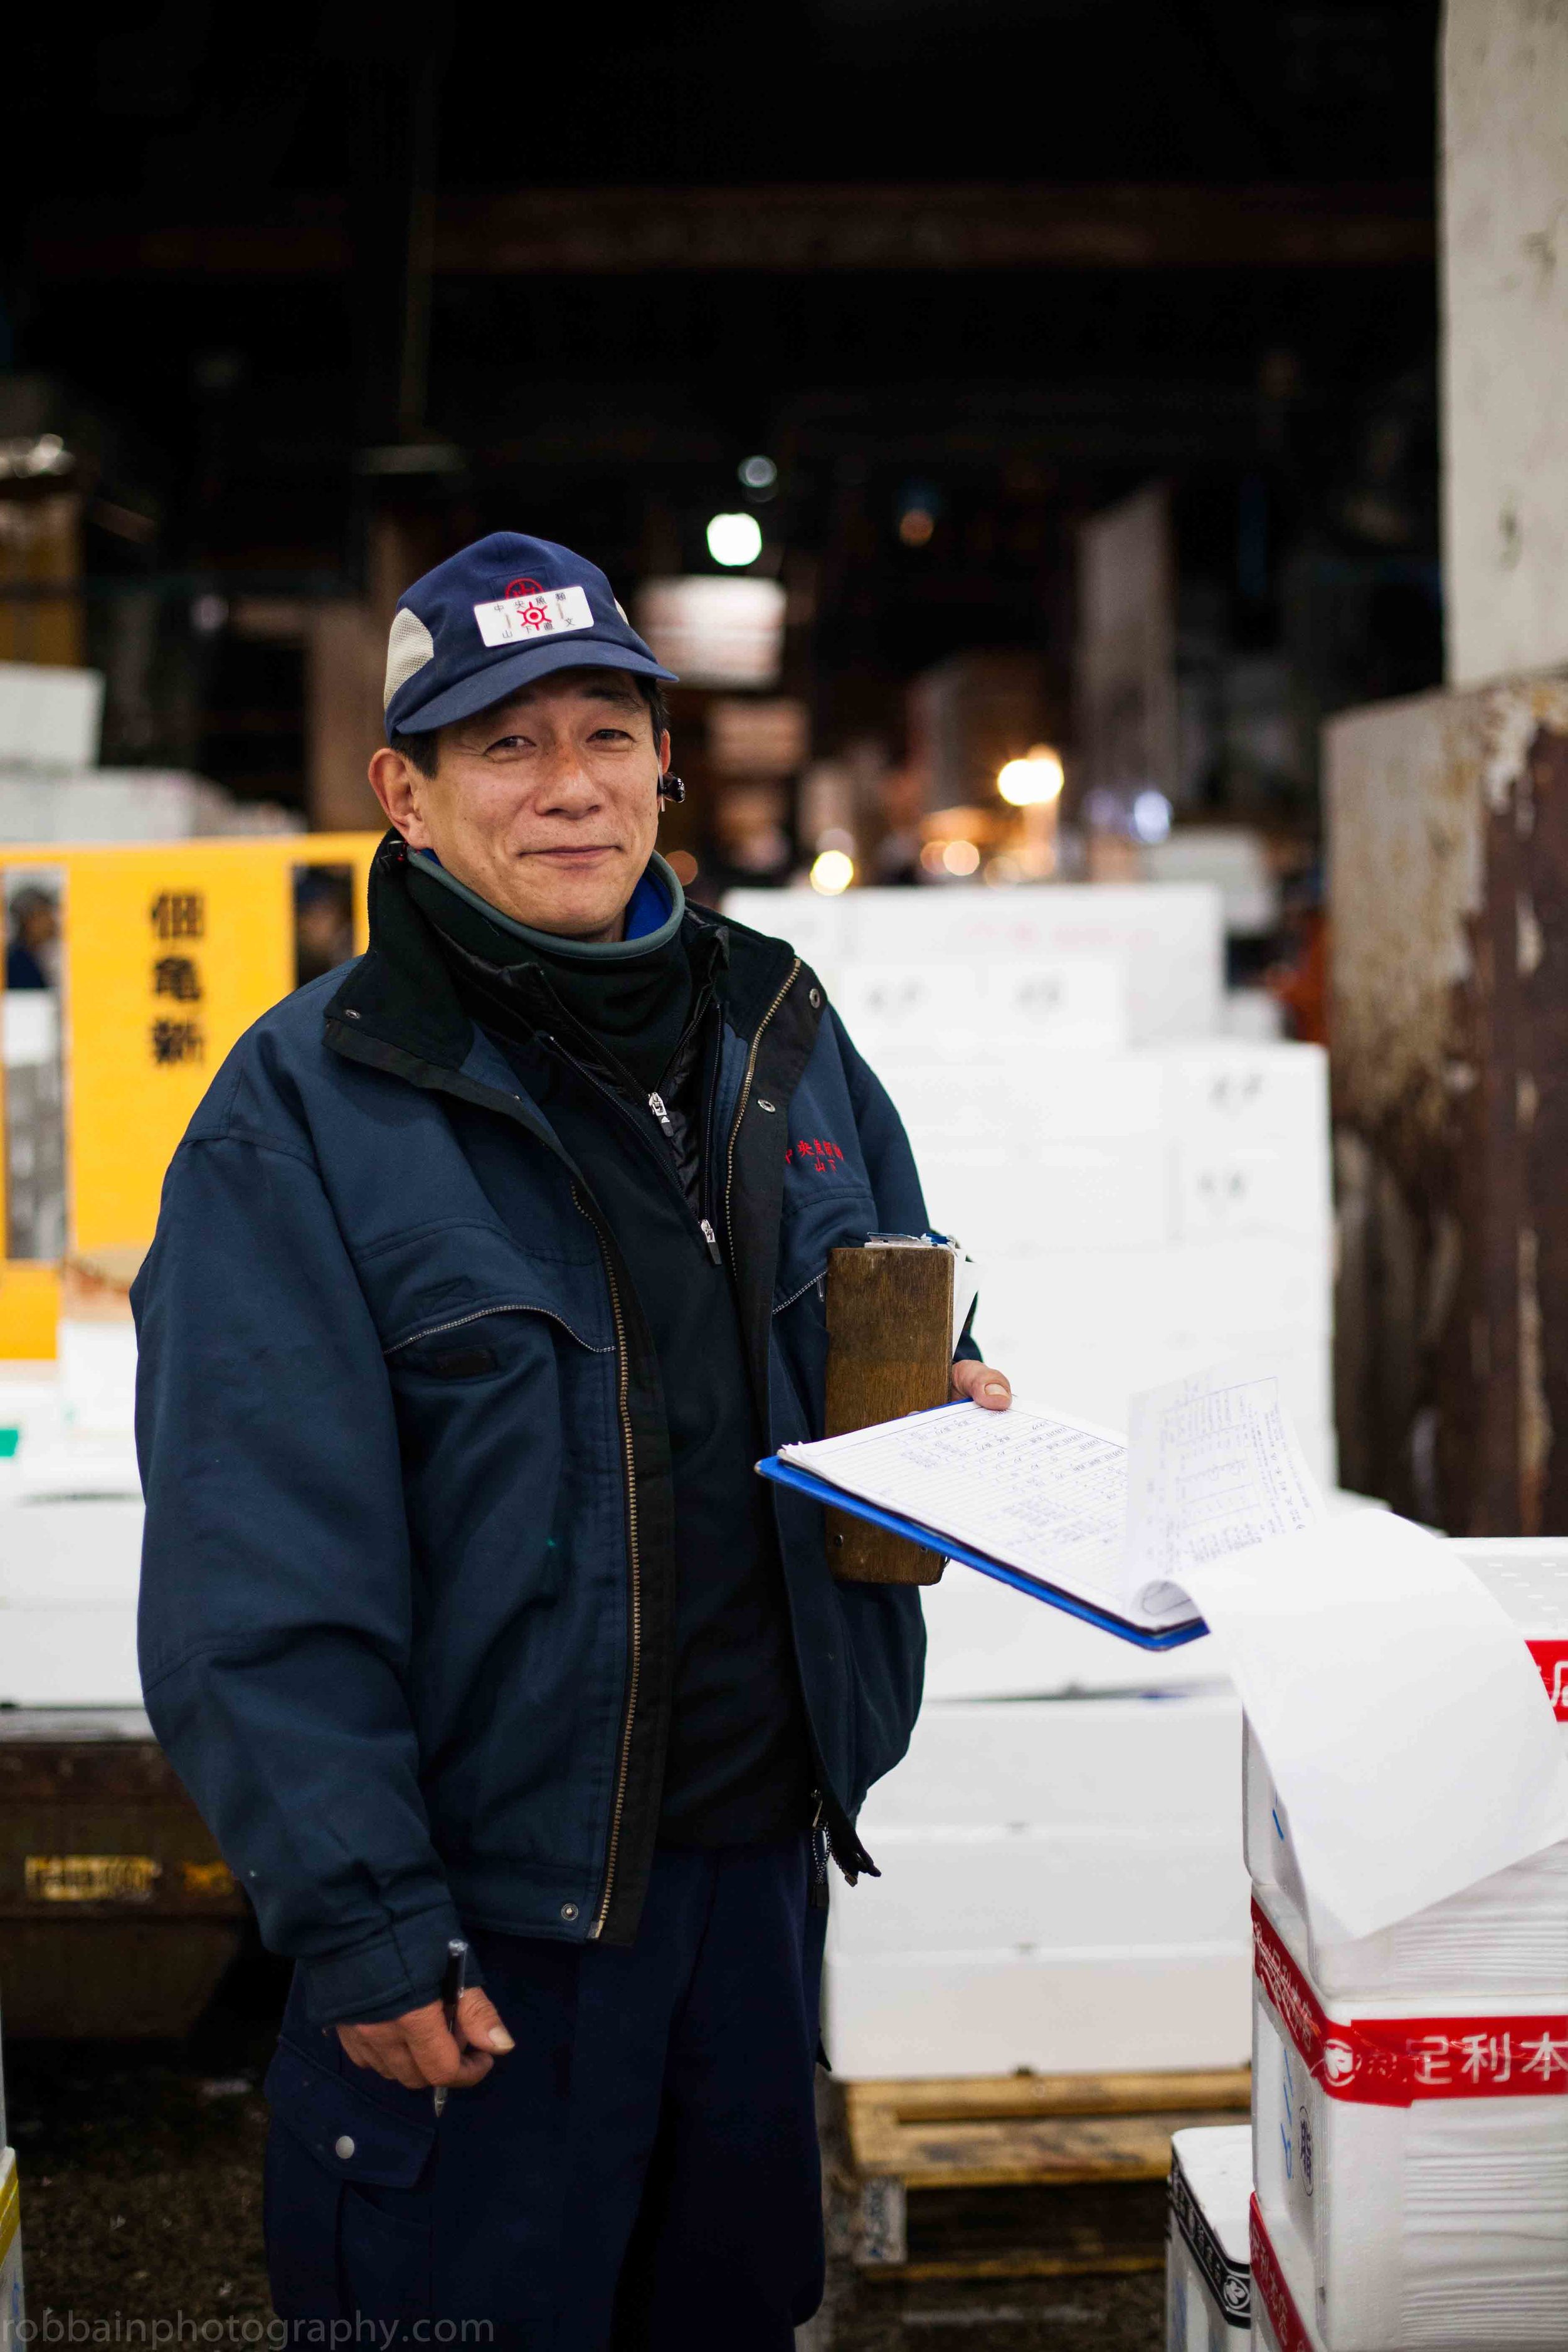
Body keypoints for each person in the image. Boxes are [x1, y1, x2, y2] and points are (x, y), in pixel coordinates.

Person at [133, 533, 1013, 2349]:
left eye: (604, 734)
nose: (571, 790)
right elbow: (253, 1574)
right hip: (491, 1925)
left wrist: (950, 1394)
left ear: (662, 759)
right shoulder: (300, 1118)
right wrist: (367, 1922)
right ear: (407, 792)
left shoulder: (776, 1032)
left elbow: (878, 1312)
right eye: (506, 748)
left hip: (756, 1885)